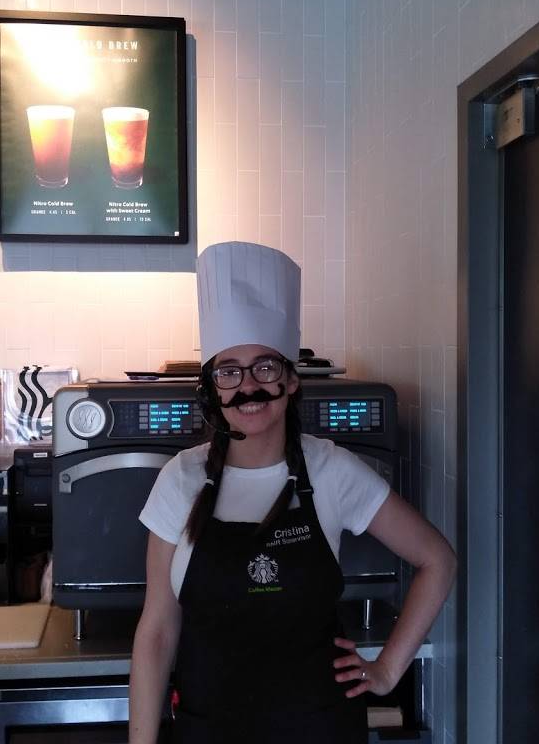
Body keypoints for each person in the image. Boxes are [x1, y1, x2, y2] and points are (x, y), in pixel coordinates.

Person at [129, 242, 456, 744]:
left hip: (321, 728)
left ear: (291, 380)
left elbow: (437, 559)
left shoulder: (331, 470)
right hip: (208, 731)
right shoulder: (181, 479)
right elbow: (157, 631)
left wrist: (388, 669)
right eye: (229, 371)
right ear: (213, 388)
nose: (249, 386)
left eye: (265, 366)